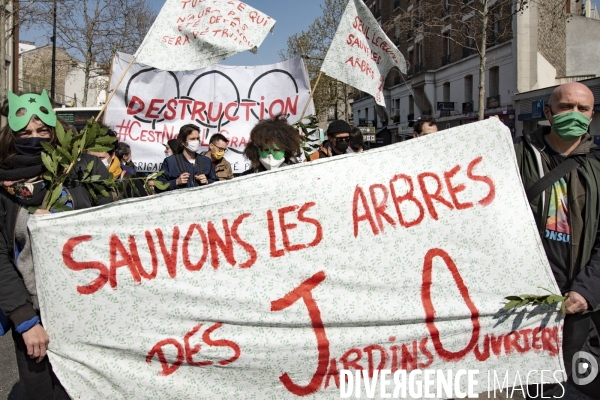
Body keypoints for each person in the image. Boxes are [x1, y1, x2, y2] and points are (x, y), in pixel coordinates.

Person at [0, 91, 111, 400]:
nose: (34, 138)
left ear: (55, 130)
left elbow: (111, 226)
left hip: (87, 308)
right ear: (12, 134)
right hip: (35, 314)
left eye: (42, 131)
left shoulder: (82, 169)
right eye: (25, 133)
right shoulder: (4, 182)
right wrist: (24, 318)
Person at [514, 82, 600, 398]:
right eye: (565, 107)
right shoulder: (515, 157)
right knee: (536, 388)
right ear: (548, 112)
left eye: (583, 108)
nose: (574, 114)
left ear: (591, 116)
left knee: (580, 388)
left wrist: (587, 290)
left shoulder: (597, 167)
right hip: (526, 308)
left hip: (579, 307)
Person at [158, 124, 218, 190]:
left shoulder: (206, 161)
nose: (196, 141)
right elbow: (158, 186)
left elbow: (217, 185)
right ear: (182, 141)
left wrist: (207, 181)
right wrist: (176, 182)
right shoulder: (170, 162)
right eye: (192, 139)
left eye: (197, 139)